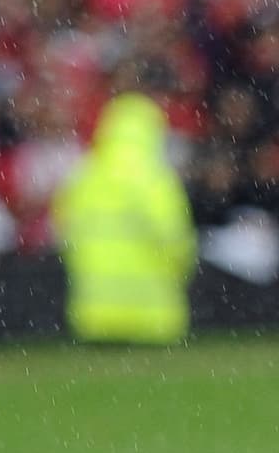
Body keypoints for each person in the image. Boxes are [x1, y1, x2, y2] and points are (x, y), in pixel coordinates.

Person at [51, 92, 196, 344]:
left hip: (95, 315)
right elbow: (175, 240)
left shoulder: (85, 175)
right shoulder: (156, 179)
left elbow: (64, 232)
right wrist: (182, 271)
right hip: (152, 316)